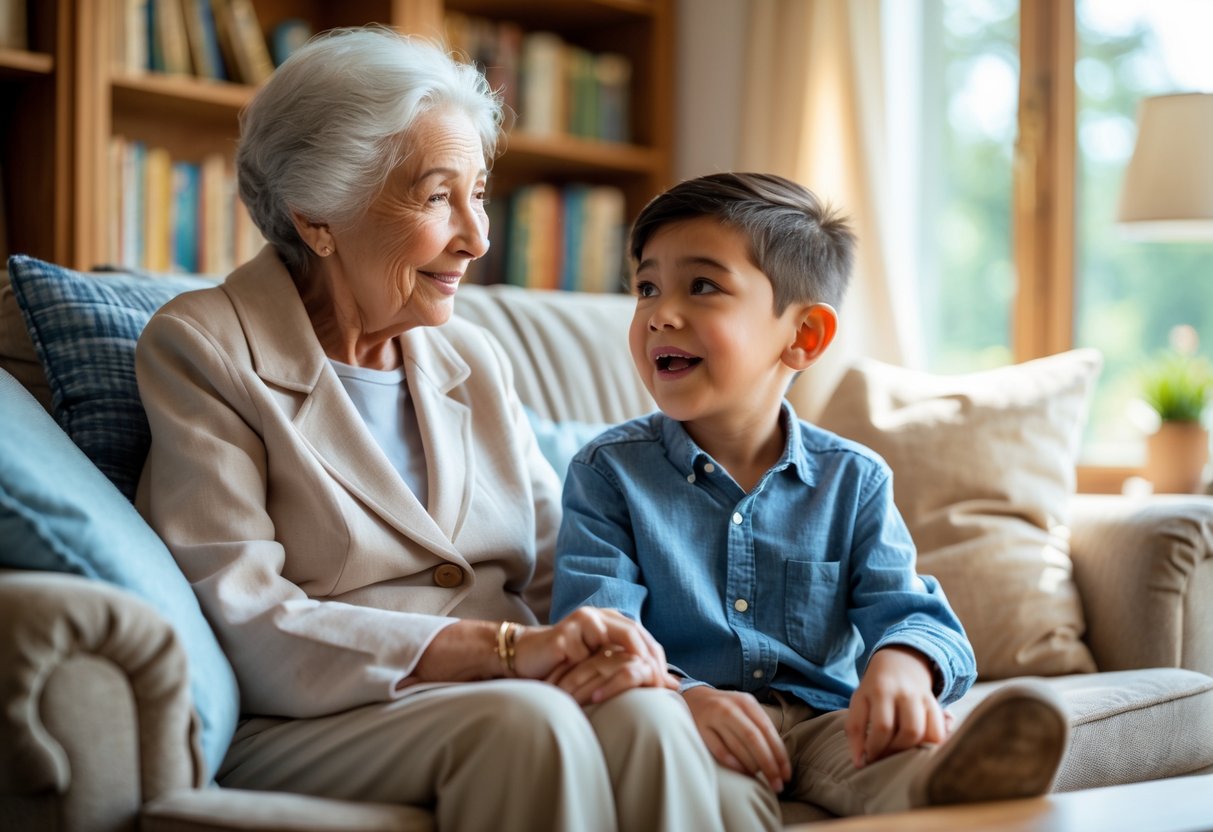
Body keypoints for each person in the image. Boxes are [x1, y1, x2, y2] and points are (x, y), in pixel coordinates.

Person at [134, 29, 779, 832]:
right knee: (526, 724)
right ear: (317, 215)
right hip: (324, 712)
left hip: (499, 691)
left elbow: (558, 569)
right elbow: (248, 616)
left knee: (646, 717)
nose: (476, 237)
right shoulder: (204, 346)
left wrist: (666, 678)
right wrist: (507, 651)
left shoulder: (470, 354)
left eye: (478, 194)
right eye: (438, 197)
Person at [550, 171, 1072, 818]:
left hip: (831, 723)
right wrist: (683, 697)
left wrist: (904, 663)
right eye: (646, 288)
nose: (660, 313)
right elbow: (600, 635)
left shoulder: (853, 480)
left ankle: (951, 787)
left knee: (897, 770)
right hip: (690, 725)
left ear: (803, 337)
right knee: (719, 795)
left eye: (702, 286)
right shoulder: (607, 474)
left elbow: (911, 611)